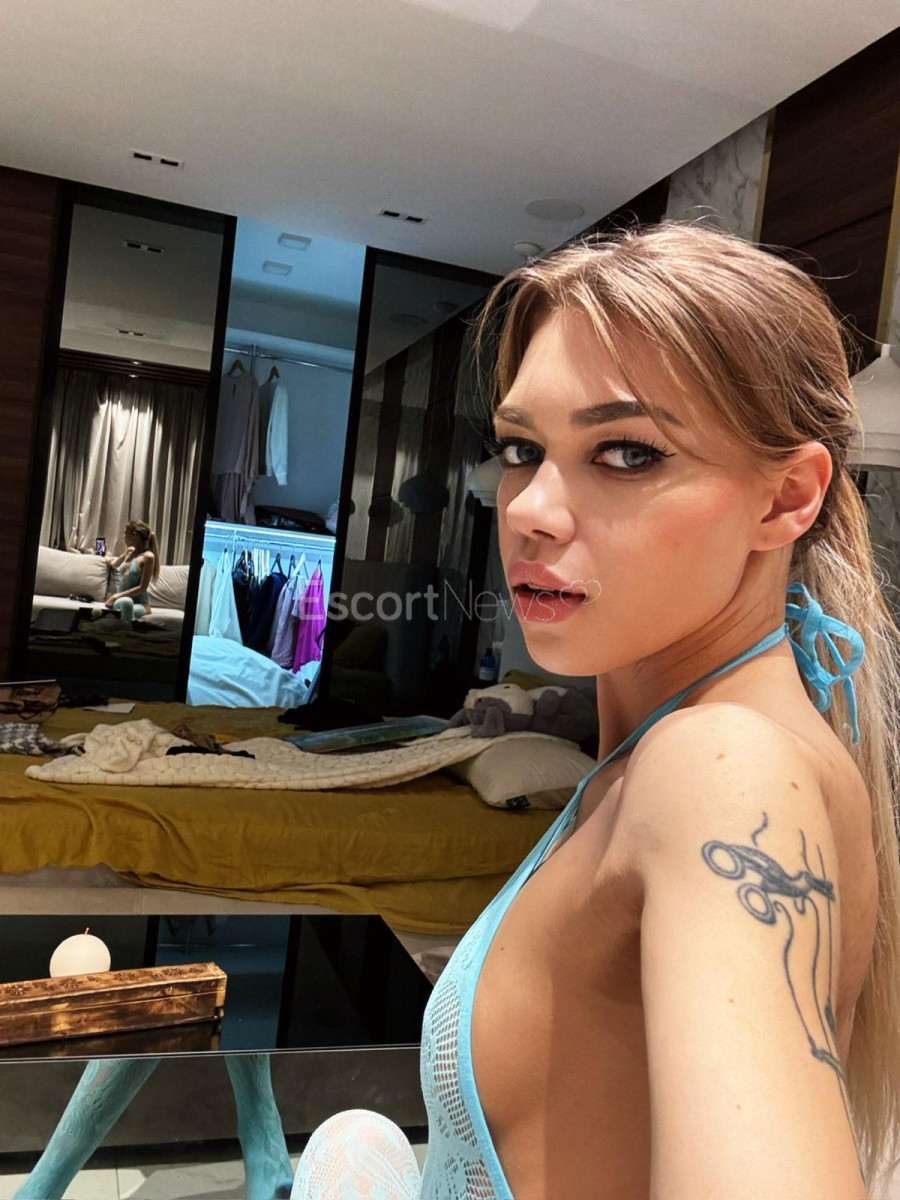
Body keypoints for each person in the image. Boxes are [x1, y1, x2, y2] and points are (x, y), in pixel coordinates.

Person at [288, 222, 900, 1200]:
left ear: (785, 499)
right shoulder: (668, 745)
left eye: (626, 452)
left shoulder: (724, 768)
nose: (528, 508)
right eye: (522, 447)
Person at [103, 519, 160, 624]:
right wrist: (106, 557)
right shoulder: (129, 552)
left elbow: (143, 588)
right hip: (121, 601)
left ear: (134, 536)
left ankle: (126, 629)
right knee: (125, 603)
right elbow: (115, 563)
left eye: (125, 534)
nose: (123, 537)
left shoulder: (148, 557)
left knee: (126, 603)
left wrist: (115, 596)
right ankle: (132, 627)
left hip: (140, 604)